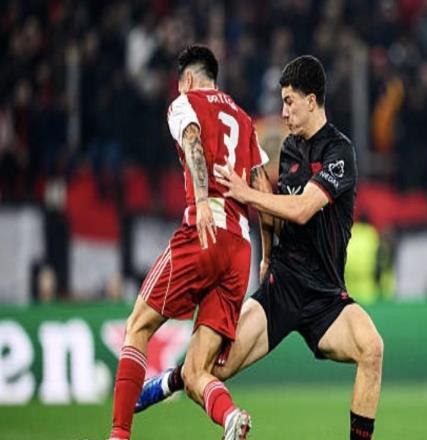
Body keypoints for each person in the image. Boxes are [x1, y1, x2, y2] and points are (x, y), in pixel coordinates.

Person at [136, 55, 384, 440]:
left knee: (372, 349)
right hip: (282, 286)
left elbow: (302, 209)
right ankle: (169, 381)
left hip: (325, 296)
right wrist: (267, 254)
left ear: (311, 101)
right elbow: (275, 212)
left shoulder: (339, 152)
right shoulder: (289, 151)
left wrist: (246, 193)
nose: (283, 112)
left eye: (289, 102)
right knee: (209, 371)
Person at [108, 45, 268, 440]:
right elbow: (262, 187)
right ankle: (231, 416)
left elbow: (193, 140)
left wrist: (200, 201)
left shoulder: (184, 103)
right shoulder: (244, 119)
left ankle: (119, 435)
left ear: (189, 79)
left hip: (205, 230)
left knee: (137, 326)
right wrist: (268, 253)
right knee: (197, 370)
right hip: (240, 249)